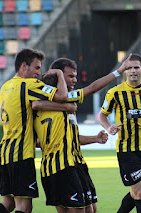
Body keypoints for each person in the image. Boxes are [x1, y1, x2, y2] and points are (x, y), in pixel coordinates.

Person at [31, 56, 132, 213]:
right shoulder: (50, 102)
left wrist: (95, 139)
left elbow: (92, 88)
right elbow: (36, 133)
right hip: (60, 167)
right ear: (58, 76)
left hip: (76, 164)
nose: (74, 80)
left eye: (75, 76)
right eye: (70, 76)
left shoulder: (67, 101)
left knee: (91, 209)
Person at [0, 48, 68, 213]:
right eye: (37, 68)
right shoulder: (29, 84)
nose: (39, 73)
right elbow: (63, 96)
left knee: (7, 204)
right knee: (24, 207)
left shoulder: (5, 86)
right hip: (21, 154)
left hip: (5, 152)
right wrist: (59, 74)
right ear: (24, 66)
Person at [97, 54, 141, 213]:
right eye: (129, 68)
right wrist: (109, 127)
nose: (133, 71)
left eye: (136, 67)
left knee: (136, 192)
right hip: (127, 150)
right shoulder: (114, 93)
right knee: (140, 192)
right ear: (125, 71)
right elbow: (102, 115)